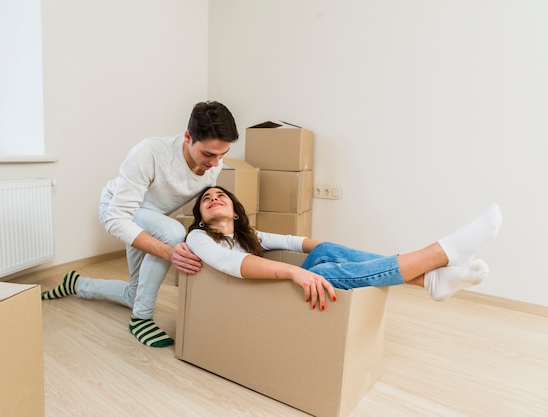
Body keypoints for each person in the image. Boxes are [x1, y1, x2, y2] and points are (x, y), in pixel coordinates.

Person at [41, 101, 239, 347]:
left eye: (222, 154)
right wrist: (169, 252)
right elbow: (116, 218)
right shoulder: (150, 152)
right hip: (119, 211)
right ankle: (141, 318)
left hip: (150, 219)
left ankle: (77, 283)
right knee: (173, 232)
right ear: (188, 136)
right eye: (209, 154)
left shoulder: (212, 167)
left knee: (135, 293)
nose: (216, 163)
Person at [186, 186, 502, 310]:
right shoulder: (198, 240)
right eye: (206, 199)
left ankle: (430, 277)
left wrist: (329, 248)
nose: (213, 198)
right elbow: (233, 265)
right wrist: (296, 273)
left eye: (220, 196)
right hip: (257, 301)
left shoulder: (248, 236)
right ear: (200, 216)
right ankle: (437, 257)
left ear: (236, 211)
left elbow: (293, 242)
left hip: (274, 291)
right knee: (322, 270)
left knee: (324, 252)